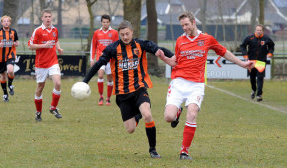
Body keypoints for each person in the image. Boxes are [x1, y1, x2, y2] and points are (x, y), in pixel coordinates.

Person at [162, 11, 255, 160]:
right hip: (178, 82)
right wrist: (163, 57)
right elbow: (174, 62)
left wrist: (243, 64)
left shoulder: (207, 39)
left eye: (186, 24)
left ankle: (184, 152)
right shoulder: (180, 40)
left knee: (192, 114)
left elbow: (224, 52)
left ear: (193, 22)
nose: (184, 28)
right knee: (168, 117)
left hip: (196, 84)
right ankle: (177, 111)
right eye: (182, 25)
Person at [83, 21, 175, 158]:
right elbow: (98, 64)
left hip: (139, 88)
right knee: (131, 129)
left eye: (127, 34)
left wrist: (173, 56)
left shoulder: (141, 44)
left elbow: (159, 49)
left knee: (148, 115)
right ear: (119, 35)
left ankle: (153, 150)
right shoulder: (112, 49)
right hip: (122, 94)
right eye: (122, 35)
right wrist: (85, 82)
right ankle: (138, 114)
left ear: (132, 32)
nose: (125, 37)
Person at [28, 9, 64, 122]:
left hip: (53, 61)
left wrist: (58, 47)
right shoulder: (37, 31)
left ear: (51, 17)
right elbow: (30, 46)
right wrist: (44, 46)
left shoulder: (55, 30)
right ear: (42, 18)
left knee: (58, 83)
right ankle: (38, 112)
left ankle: (53, 108)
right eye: (46, 16)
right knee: (40, 87)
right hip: (41, 64)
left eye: (49, 16)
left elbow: (56, 39)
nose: (48, 18)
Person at [240, 24, 275, 102]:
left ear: (262, 31)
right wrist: (245, 55)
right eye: (257, 30)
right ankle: (253, 90)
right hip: (251, 62)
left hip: (261, 61)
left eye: (260, 30)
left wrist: (270, 53)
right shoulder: (249, 38)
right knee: (252, 77)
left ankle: (259, 94)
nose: (259, 31)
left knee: (260, 77)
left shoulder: (266, 38)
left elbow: (272, 46)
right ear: (255, 30)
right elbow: (242, 46)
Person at [90, 14, 119, 106]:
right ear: (101, 22)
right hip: (100, 59)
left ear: (109, 22)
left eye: (107, 22)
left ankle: (108, 98)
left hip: (111, 60)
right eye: (103, 22)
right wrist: (92, 59)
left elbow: (117, 46)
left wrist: (117, 58)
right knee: (101, 75)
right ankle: (101, 96)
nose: (105, 24)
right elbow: (93, 46)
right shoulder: (97, 33)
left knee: (110, 78)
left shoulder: (114, 33)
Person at [0, 15, 19, 102]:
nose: (6, 22)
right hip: (0, 57)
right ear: (2, 23)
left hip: (11, 54)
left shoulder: (13, 32)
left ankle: (10, 85)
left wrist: (16, 43)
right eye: (4, 21)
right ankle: (5, 94)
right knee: (3, 76)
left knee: (10, 71)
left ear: (10, 23)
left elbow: (17, 42)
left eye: (8, 21)